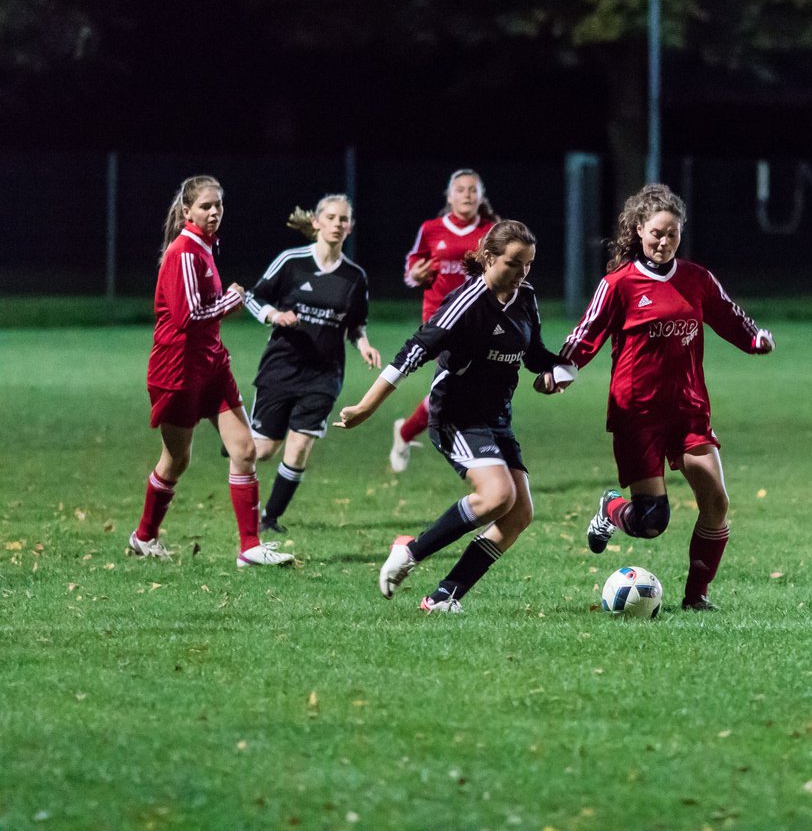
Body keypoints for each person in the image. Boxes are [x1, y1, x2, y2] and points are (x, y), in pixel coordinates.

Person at [335, 221, 574, 612]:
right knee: (498, 496)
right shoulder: (466, 303)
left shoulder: (525, 296)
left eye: (528, 265)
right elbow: (412, 353)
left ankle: (444, 597)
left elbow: (533, 355)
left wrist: (558, 372)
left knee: (518, 516)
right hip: (456, 417)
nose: (522, 274)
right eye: (514, 264)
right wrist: (365, 407)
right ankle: (410, 553)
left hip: (497, 417)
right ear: (488, 257)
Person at [558, 184, 775, 610]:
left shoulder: (696, 279)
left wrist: (755, 339)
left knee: (716, 503)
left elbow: (728, 315)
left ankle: (696, 598)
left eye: (672, 234)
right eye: (656, 232)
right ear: (639, 229)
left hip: (690, 408)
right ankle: (612, 507)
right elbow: (586, 335)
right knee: (652, 522)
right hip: (638, 413)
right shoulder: (618, 284)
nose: (663, 241)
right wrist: (561, 370)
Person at [129, 175, 294, 567]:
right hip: (178, 370)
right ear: (187, 211)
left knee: (245, 449)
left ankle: (250, 548)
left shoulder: (204, 247)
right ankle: (143, 536)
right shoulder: (185, 251)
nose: (214, 211)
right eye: (205, 206)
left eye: (218, 205)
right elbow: (187, 318)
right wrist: (231, 301)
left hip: (211, 366)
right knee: (176, 461)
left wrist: (222, 308)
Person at [243, 195, 382, 534]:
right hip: (281, 367)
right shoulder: (292, 261)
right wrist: (274, 314)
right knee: (262, 450)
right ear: (317, 222)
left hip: (324, 373)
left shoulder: (355, 276)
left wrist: (363, 343)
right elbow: (252, 296)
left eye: (343, 219)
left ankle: (269, 519)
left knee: (301, 442)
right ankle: (235, 446)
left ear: (349, 227)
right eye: (331, 217)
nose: (337, 224)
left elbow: (356, 323)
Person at [389, 169, 499, 473]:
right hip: (440, 319)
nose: (466, 194)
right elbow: (413, 263)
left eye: (472, 190)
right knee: (455, 382)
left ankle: (406, 432)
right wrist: (415, 275)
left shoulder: (491, 232)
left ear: (481, 197)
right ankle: (477, 450)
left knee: (457, 388)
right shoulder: (431, 228)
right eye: (460, 189)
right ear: (449, 197)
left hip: (478, 319)